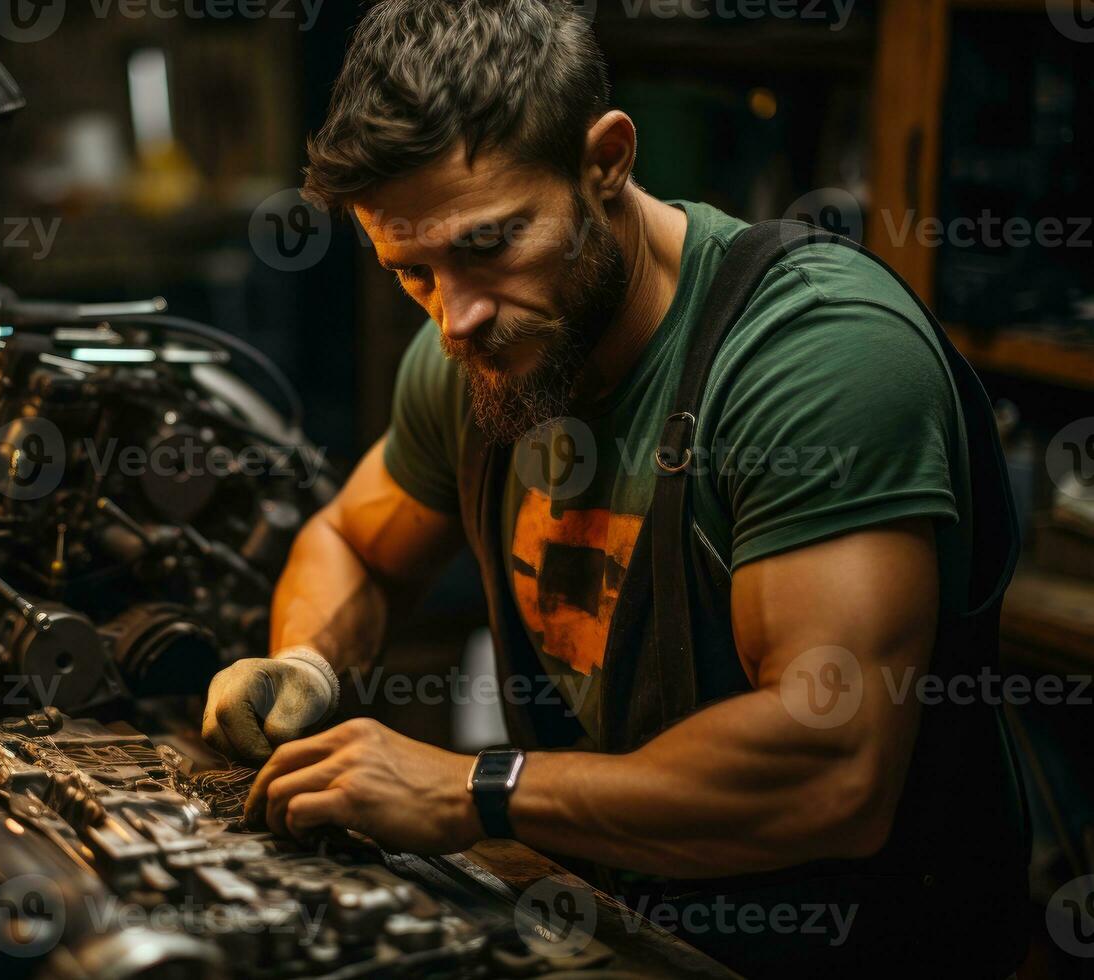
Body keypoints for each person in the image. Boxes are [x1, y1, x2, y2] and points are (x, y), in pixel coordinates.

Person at [203, 2, 1027, 975]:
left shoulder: (816, 358)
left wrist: (474, 788)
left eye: (489, 243)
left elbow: (831, 767)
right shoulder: (478, 351)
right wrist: (304, 664)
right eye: (412, 271)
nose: (454, 317)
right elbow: (354, 542)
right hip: (614, 927)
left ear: (606, 161)